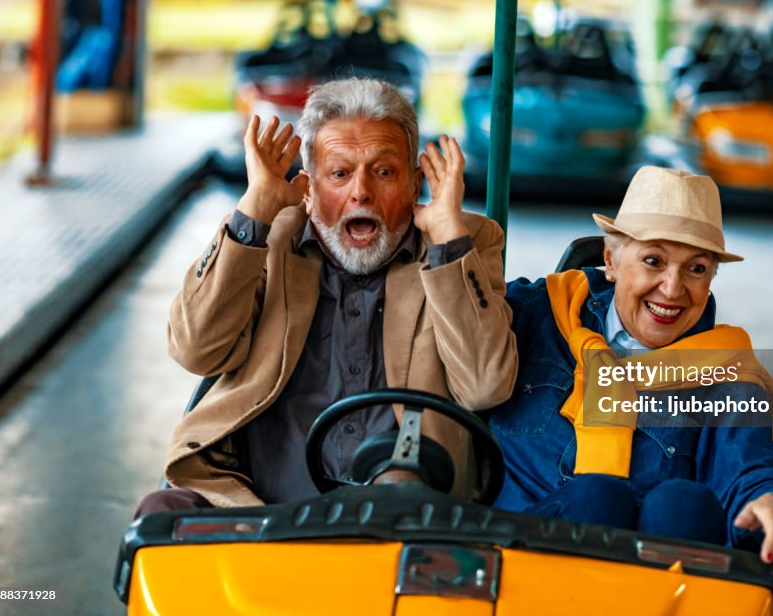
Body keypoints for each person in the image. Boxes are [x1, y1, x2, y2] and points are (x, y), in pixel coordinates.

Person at [136, 78, 516, 514]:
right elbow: (194, 350)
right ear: (309, 191)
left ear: (414, 186)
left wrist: (449, 239)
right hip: (255, 507)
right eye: (339, 173)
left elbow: (486, 386)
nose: (361, 191)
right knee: (158, 516)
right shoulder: (267, 236)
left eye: (384, 171)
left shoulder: (465, 242)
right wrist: (256, 207)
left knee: (397, 492)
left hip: (400, 508)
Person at [487, 167, 773, 575]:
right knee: (597, 497)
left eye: (696, 269)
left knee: (683, 501)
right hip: (522, 567)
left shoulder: (726, 370)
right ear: (611, 260)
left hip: (659, 581)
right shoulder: (534, 314)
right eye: (653, 261)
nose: (673, 289)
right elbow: (454, 317)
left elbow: (749, 467)